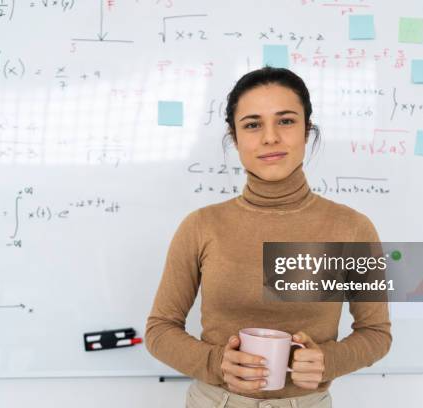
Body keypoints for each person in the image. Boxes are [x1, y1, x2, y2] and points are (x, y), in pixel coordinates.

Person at [145, 66, 392, 408]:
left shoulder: (351, 228)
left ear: (307, 130)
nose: (270, 137)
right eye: (252, 124)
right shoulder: (201, 226)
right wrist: (216, 363)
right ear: (234, 137)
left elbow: (376, 334)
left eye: (286, 121)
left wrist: (329, 361)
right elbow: (160, 329)